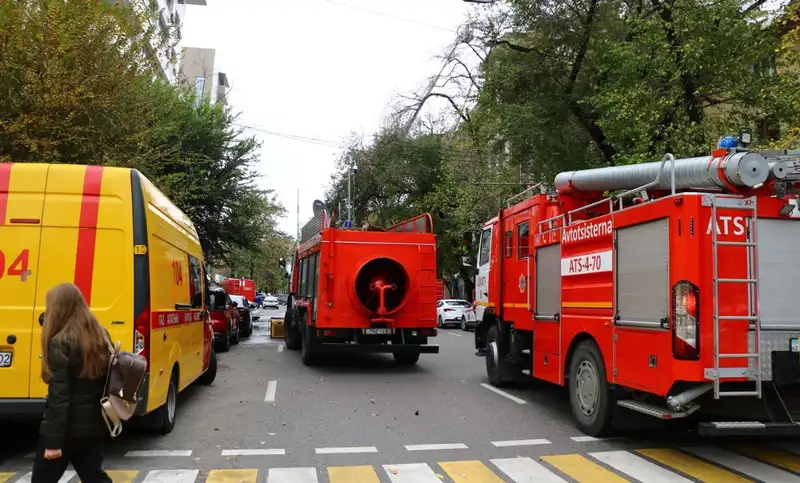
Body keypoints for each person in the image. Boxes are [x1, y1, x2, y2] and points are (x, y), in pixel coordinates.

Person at [32, 283, 112, 483]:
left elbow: (59, 398)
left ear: (58, 308)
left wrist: (53, 443)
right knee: (94, 477)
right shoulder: (100, 336)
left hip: (66, 431)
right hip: (93, 426)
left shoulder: (60, 343)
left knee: (42, 480)